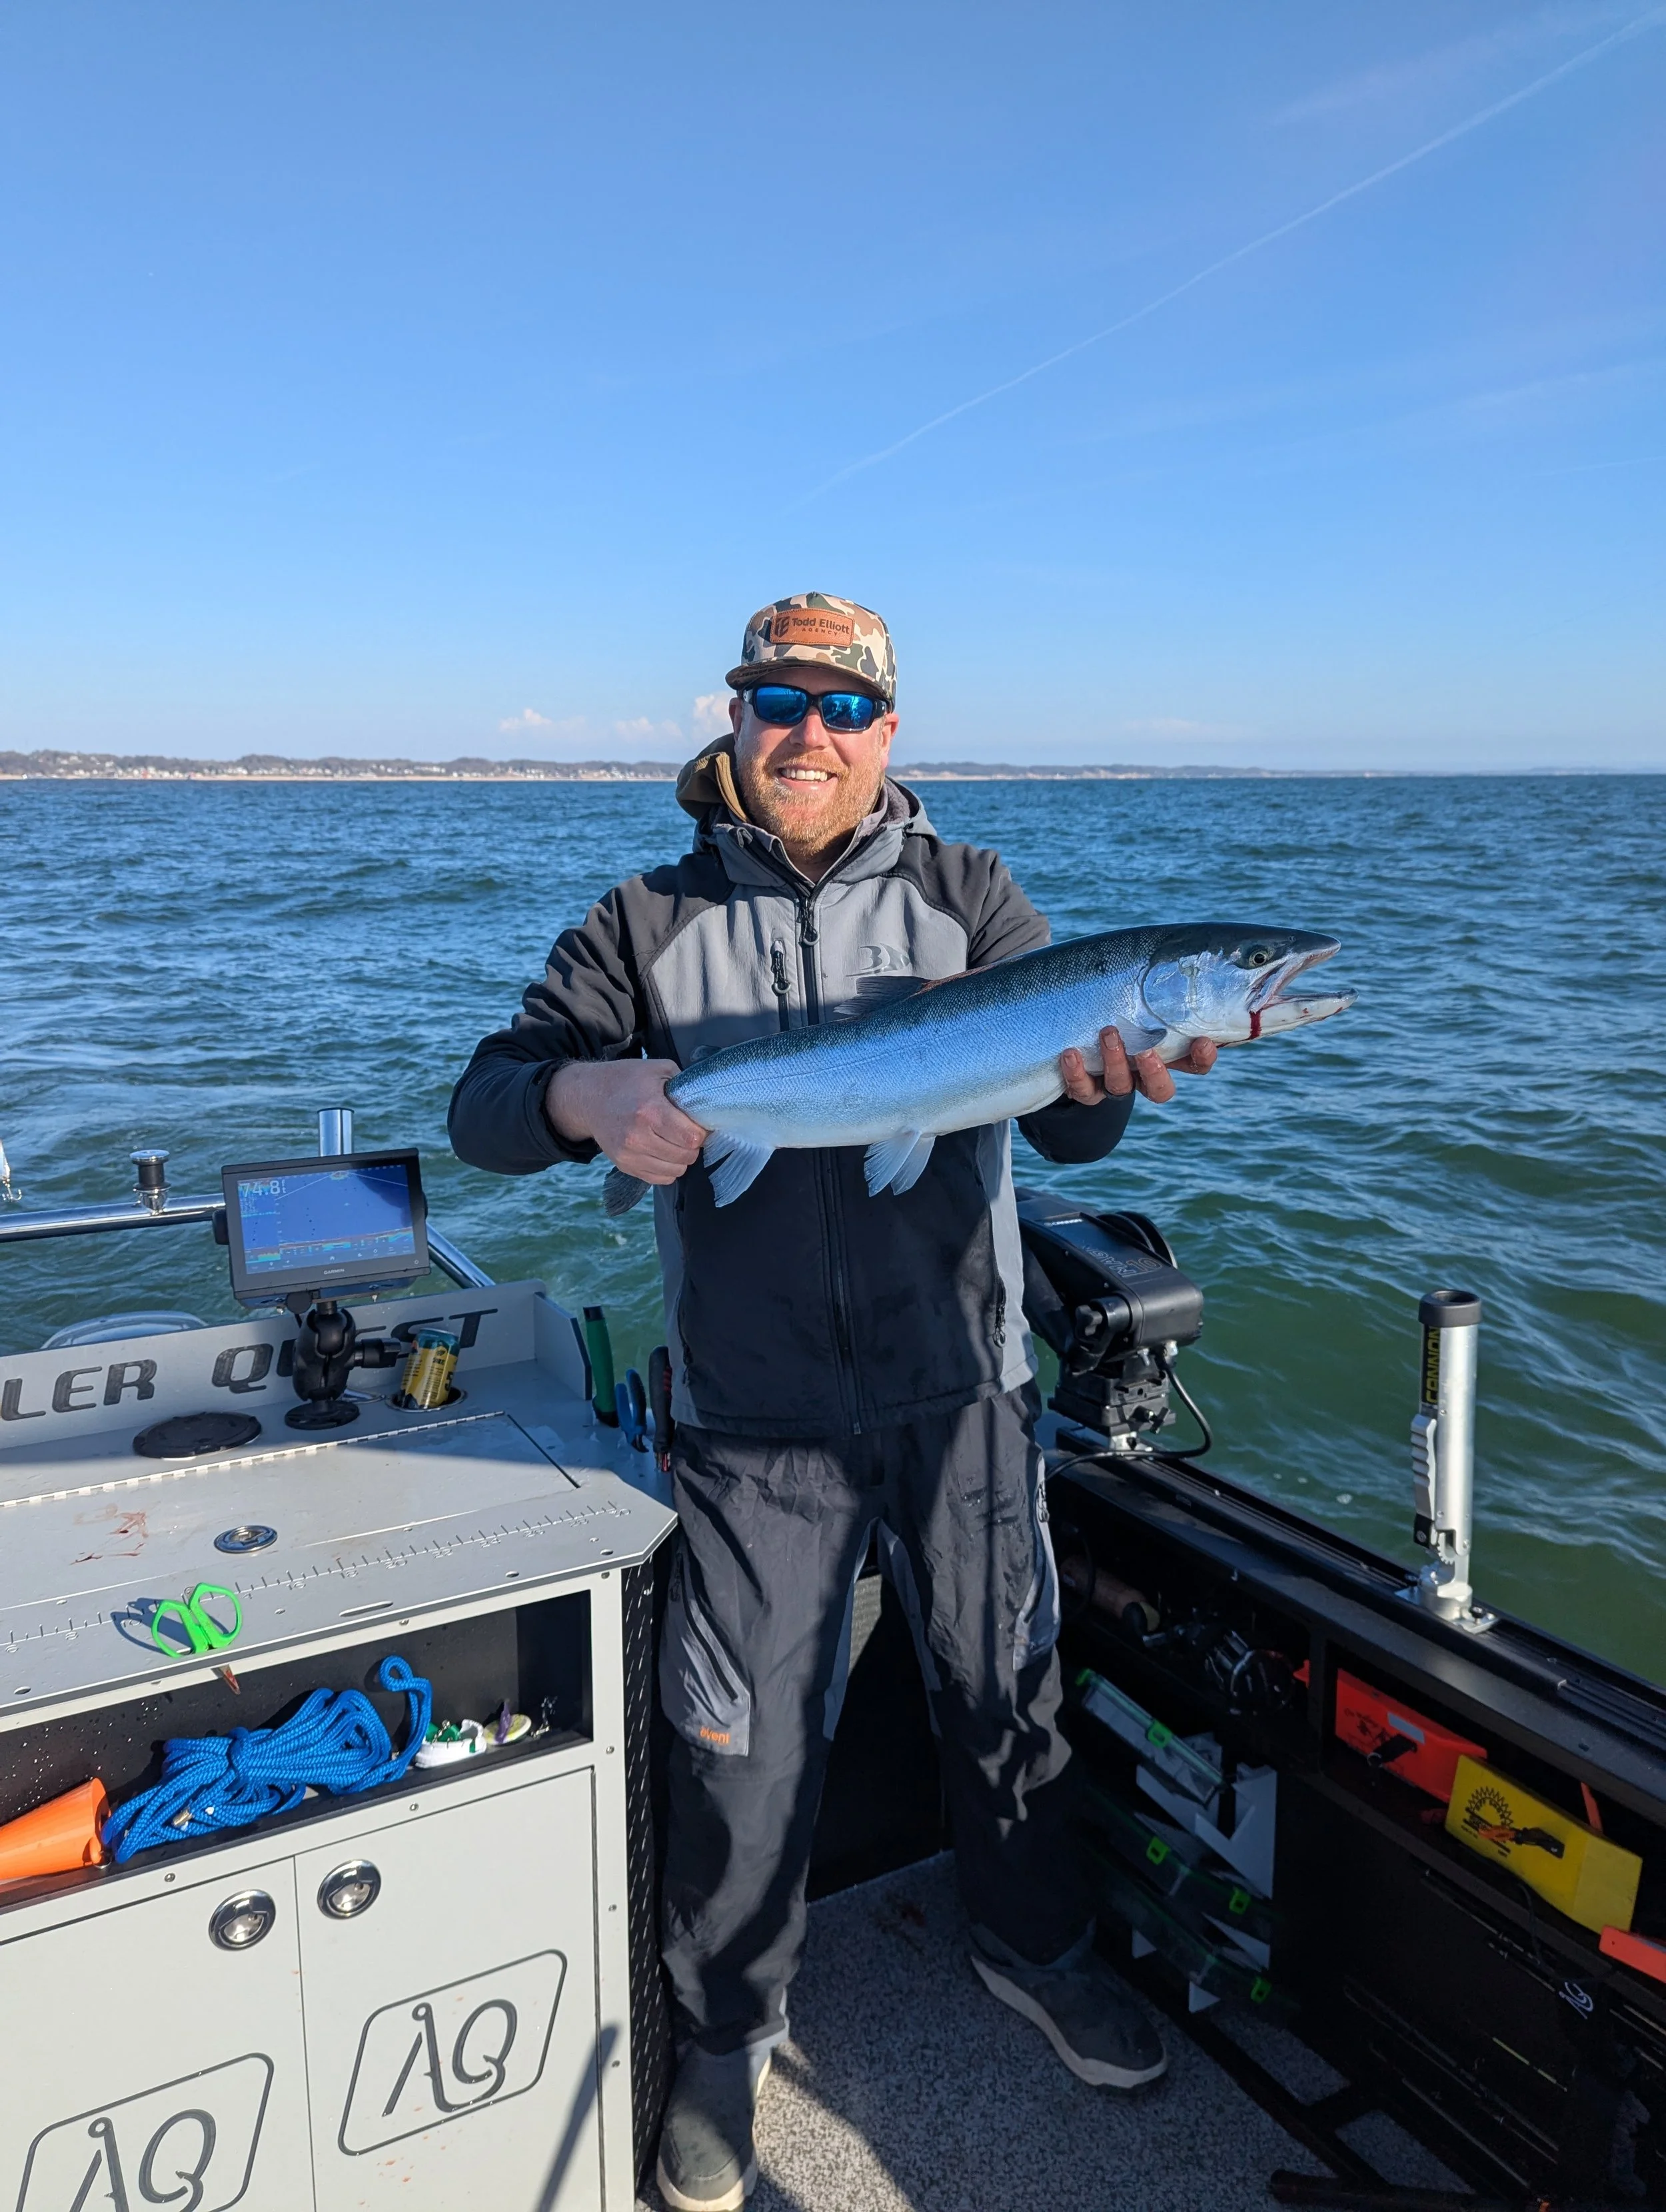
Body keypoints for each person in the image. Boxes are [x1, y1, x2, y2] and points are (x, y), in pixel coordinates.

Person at [448, 593, 1217, 2211]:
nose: (810, 733)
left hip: (964, 1391)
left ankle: (1034, 1946)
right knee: (731, 1741)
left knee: (1004, 1685)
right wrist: (587, 1095)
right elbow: (487, 1107)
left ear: (888, 735)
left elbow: (1069, 1137)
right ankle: (727, 2034)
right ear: (734, 720)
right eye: (778, 700)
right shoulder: (641, 923)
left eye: (843, 708)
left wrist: (1107, 1086)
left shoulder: (971, 898)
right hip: (749, 1413)